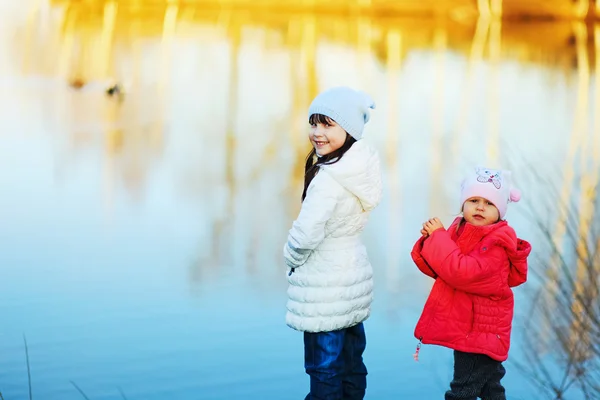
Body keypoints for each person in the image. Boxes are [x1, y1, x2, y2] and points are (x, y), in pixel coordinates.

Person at [283, 86, 383, 400]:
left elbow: (306, 234)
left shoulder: (329, 178)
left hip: (325, 287)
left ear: (349, 130)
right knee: (351, 362)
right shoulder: (359, 168)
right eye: (314, 123)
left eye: (327, 125)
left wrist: (291, 256)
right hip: (352, 278)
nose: (317, 132)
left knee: (323, 368)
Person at [411, 167, 532, 400]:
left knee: (461, 392)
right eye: (474, 200)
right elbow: (441, 270)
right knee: (490, 389)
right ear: (463, 204)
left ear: (501, 211)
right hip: (471, 328)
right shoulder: (463, 231)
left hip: (480, 333)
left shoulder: (497, 244)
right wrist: (430, 240)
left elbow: (462, 272)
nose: (479, 207)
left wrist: (439, 238)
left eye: (489, 203)